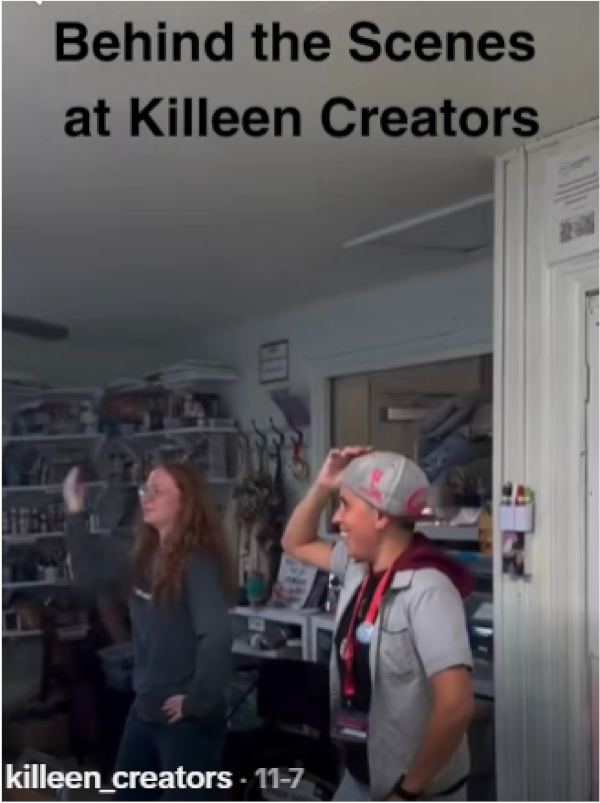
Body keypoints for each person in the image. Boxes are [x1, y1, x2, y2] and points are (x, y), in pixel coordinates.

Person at [282, 447, 475, 802]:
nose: (338, 519)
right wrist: (323, 484)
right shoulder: (358, 567)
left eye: (346, 505)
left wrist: (408, 792)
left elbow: (456, 705)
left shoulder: (428, 589)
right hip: (361, 779)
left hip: (417, 793)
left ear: (381, 516)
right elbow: (295, 543)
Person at [64, 463, 235, 801]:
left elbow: (216, 635)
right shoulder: (143, 556)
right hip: (146, 708)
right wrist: (74, 511)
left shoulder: (199, 563)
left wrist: (198, 700)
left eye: (158, 491)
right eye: (146, 490)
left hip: (185, 720)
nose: (146, 497)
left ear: (184, 503)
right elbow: (89, 574)